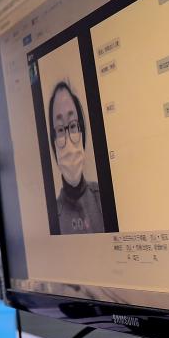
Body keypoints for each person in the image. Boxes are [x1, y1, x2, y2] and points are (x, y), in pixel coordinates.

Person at [49, 80, 106, 234]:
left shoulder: (102, 198)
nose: (67, 138)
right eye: (60, 129)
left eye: (73, 125)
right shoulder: (53, 218)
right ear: (53, 142)